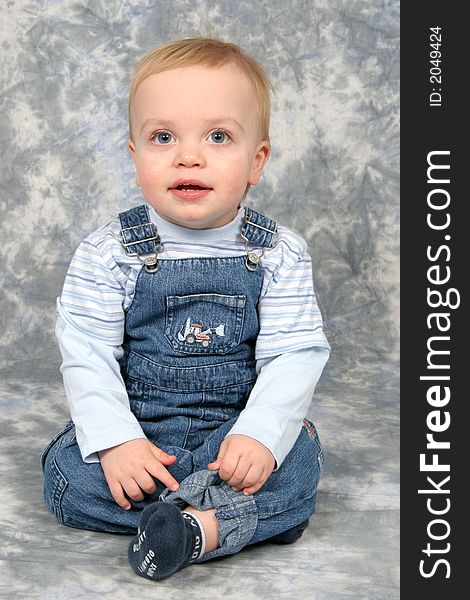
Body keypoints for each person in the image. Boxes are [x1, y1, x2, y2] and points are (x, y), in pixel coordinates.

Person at [42, 37, 330, 581]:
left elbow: (294, 354)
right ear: (135, 156)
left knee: (298, 467)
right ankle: (218, 521)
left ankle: (193, 530)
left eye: (218, 136)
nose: (188, 155)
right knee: (67, 476)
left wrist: (261, 436)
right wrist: (118, 443)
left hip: (233, 437)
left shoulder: (278, 253)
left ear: (256, 161)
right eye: (163, 137)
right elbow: (86, 354)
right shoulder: (110, 252)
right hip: (144, 436)